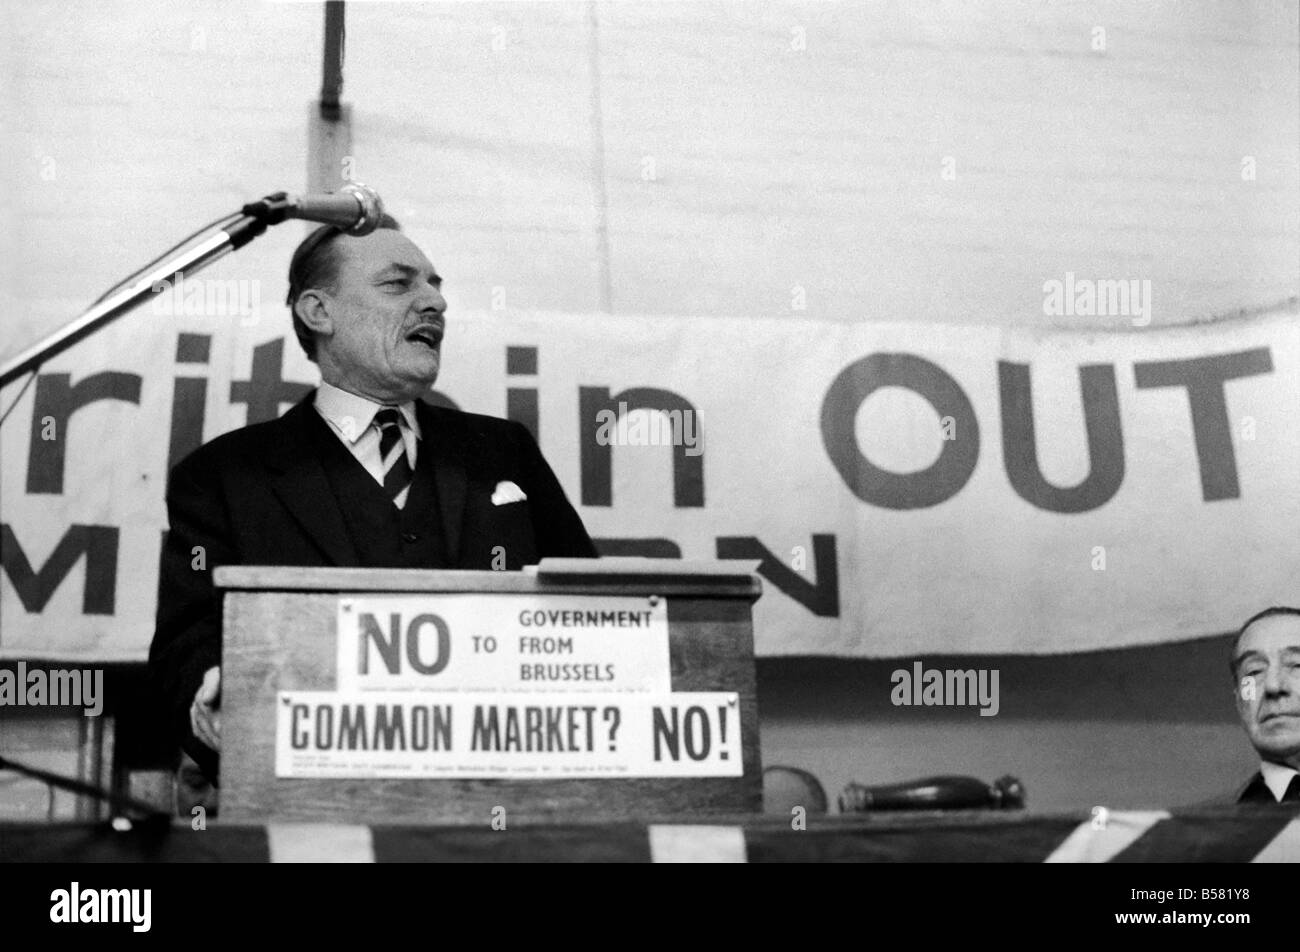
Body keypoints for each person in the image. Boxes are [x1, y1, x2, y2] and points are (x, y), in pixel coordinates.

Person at [149, 216, 597, 781]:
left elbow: (589, 602)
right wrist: (209, 686)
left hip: (506, 793)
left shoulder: (502, 452)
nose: (434, 302)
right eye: (399, 284)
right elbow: (185, 647)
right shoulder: (223, 477)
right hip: (312, 796)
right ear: (319, 312)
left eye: (435, 284)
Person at [1228, 606, 1300, 805]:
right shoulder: (1198, 831)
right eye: (1254, 671)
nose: (1273, 686)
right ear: (1240, 701)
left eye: (1297, 665)